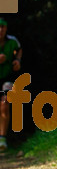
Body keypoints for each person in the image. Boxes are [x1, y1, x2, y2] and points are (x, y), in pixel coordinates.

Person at [0, 17, 22, 151]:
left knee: (4, 105)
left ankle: (2, 139)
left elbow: (19, 49)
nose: (0, 30)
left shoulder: (13, 41)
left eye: (2, 27)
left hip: (7, 77)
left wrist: (17, 61)